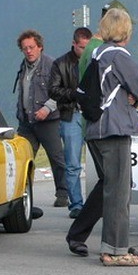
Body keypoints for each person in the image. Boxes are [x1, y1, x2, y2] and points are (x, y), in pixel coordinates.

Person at [66, 7, 138, 266]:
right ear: (125, 30)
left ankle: (105, 242)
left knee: (111, 187)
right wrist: (131, 96)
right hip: (114, 128)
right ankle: (115, 250)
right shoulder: (118, 55)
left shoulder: (96, 52)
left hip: (94, 128)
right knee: (119, 192)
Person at [13, 29, 68, 208]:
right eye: (25, 48)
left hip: (48, 121)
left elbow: (61, 90)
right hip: (26, 122)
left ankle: (63, 194)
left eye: (31, 47)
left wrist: (47, 108)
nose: (28, 51)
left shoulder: (51, 65)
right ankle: (20, 196)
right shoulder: (23, 66)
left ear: (40, 47)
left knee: (56, 157)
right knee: (23, 159)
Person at [50, 27, 92, 218]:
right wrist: (75, 94)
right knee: (73, 164)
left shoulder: (94, 60)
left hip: (91, 115)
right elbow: (53, 90)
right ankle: (76, 205)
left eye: (87, 47)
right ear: (74, 44)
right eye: (82, 47)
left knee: (100, 163)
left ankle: (98, 204)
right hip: (71, 115)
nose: (85, 51)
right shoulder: (60, 63)